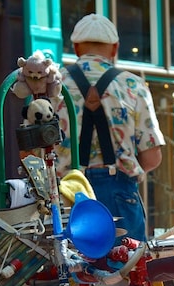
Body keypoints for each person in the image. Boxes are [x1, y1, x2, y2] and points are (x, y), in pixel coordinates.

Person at [53, 13, 165, 243]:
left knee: (73, 274)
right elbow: (152, 156)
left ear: (75, 48)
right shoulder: (133, 85)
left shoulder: (53, 85)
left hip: (68, 196)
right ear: (115, 48)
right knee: (127, 271)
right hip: (120, 193)